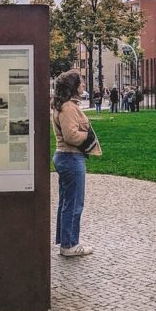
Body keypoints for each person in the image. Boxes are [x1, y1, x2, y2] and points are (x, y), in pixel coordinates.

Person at [51, 70, 101, 258]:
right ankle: (70, 244)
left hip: (65, 157)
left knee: (66, 201)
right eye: (80, 83)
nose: (83, 86)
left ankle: (66, 241)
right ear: (73, 87)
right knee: (74, 203)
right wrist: (87, 136)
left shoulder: (63, 105)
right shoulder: (68, 108)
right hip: (70, 158)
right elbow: (71, 135)